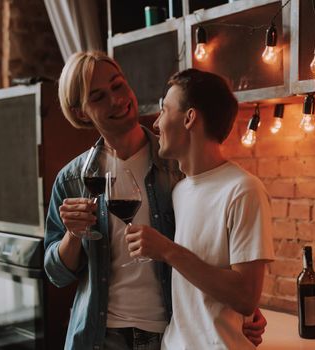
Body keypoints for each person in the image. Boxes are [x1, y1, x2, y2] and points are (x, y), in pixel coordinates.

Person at [43, 51, 266, 350]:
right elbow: (56, 274)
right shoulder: (73, 179)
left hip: (168, 334)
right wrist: (72, 234)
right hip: (100, 336)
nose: (116, 99)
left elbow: (208, 249)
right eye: (98, 97)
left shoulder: (179, 168)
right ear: (82, 112)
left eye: (118, 85)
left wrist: (243, 311)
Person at [125, 69, 275, 349]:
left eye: (164, 110)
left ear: (189, 118)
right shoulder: (180, 191)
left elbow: (245, 297)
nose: (156, 124)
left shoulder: (243, 190)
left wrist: (167, 250)